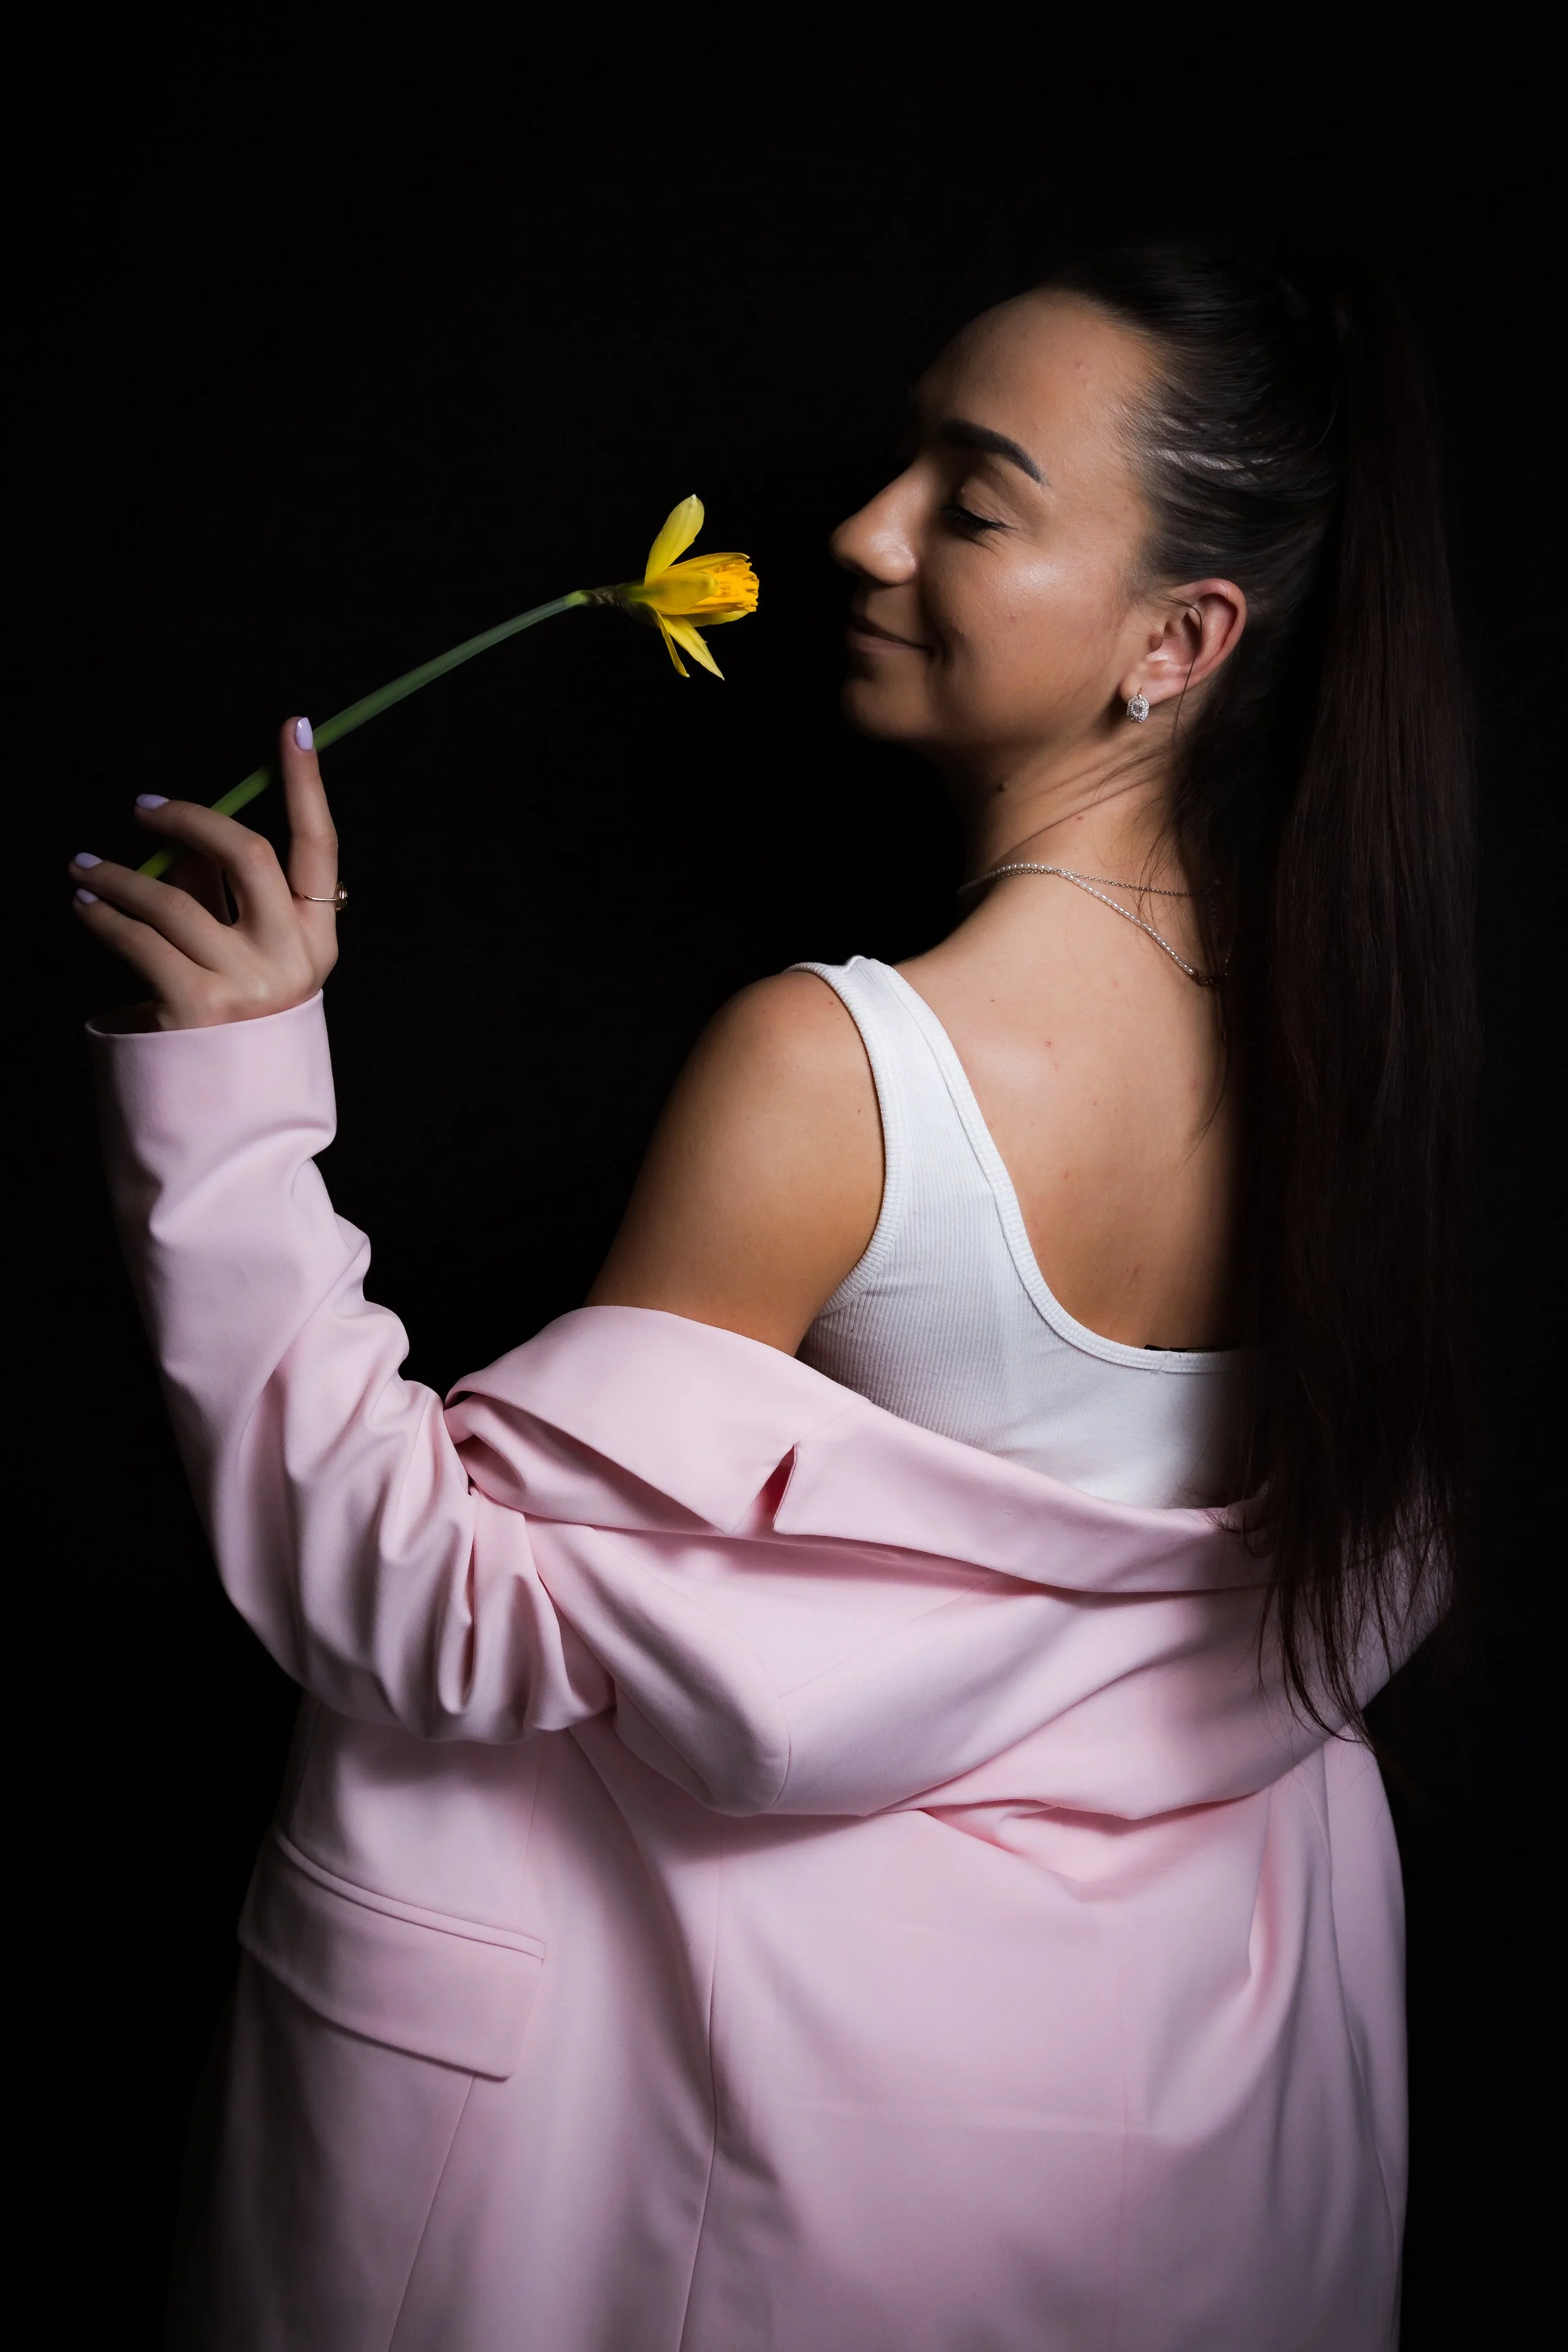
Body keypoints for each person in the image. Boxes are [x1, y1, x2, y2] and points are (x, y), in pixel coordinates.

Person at [71, 243, 1474, 2351]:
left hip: (816, 2168)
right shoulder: (1358, 1055)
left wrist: (230, 1117)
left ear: (1178, 640)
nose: (863, 531)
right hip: (1176, 2140)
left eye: (970, 500)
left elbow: (437, 1602)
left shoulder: (843, 1070)